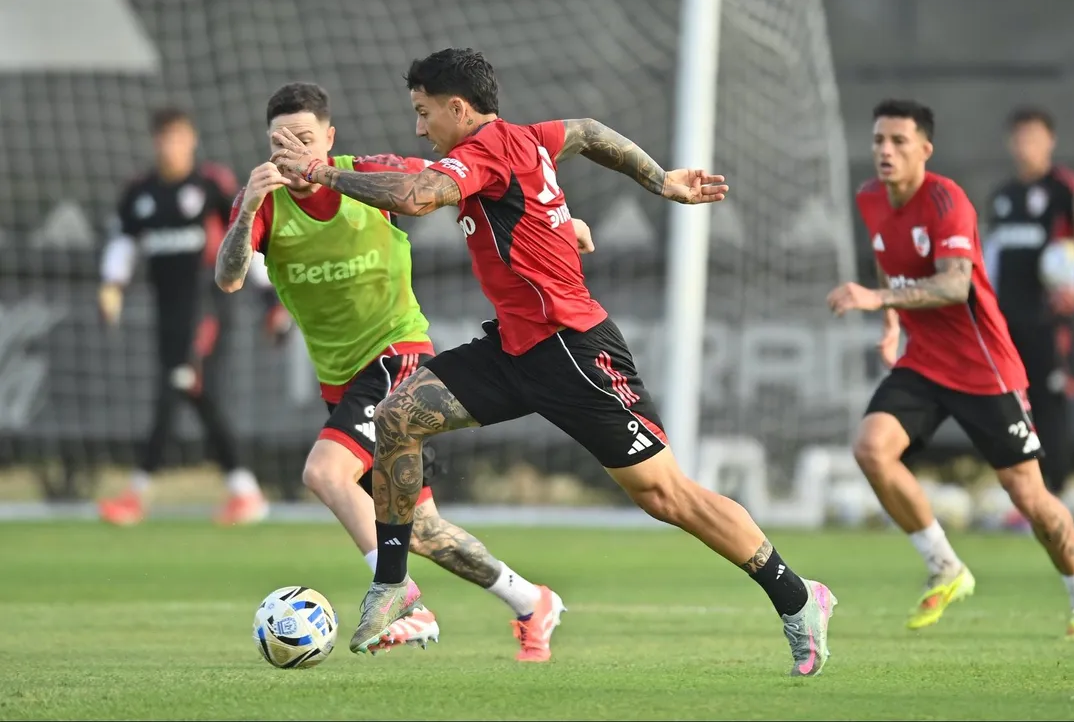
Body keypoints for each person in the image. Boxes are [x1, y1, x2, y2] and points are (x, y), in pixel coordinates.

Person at [267, 48, 837, 677]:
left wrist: (321, 173)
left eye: (425, 113)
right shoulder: (527, 139)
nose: (419, 128)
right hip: (515, 348)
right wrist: (660, 180)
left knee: (666, 495)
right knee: (399, 417)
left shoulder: (484, 153)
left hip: (573, 351)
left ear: (459, 108)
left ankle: (798, 595)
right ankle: (394, 581)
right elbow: (589, 133)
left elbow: (414, 196)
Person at [215, 81, 570, 661]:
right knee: (420, 529)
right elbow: (229, 278)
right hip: (340, 379)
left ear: (329, 139)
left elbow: (468, 186)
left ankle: (401, 599)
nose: (294, 155)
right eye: (281, 144)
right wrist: (248, 206)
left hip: (397, 354)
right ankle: (531, 600)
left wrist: (557, 228)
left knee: (324, 473)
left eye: (305, 139)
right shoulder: (263, 202)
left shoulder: (373, 174)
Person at [826, 99, 1074, 640]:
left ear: (925, 150)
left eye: (899, 141)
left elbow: (956, 284)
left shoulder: (947, 199)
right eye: (878, 140)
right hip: (924, 362)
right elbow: (889, 256)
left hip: (984, 368)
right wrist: (890, 323)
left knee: (1028, 497)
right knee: (871, 449)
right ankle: (945, 566)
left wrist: (874, 297)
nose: (885, 150)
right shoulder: (870, 197)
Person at [97, 107, 271, 527]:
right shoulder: (141, 194)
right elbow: (123, 241)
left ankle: (137, 492)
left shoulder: (211, 185)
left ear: (191, 140)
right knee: (195, 392)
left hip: (207, 310)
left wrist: (271, 300)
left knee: (179, 385)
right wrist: (111, 284)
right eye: (162, 137)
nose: (169, 146)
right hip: (168, 313)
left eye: (177, 137)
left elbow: (246, 235)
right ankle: (244, 491)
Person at [982, 107, 1074, 496]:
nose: (1026, 145)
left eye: (1035, 137)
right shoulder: (1003, 197)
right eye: (1020, 136)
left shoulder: (1065, 190)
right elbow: (990, 259)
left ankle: (1058, 491)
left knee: (1050, 403)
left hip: (1049, 325)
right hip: (1007, 324)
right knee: (1010, 407)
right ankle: (1023, 494)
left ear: (1050, 141)